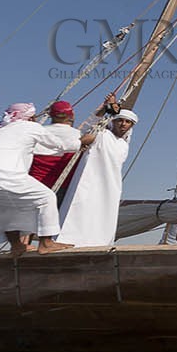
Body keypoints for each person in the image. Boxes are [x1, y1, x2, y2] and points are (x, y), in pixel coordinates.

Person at [0, 102, 75, 257]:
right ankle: (46, 243)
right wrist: (82, 142)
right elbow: (60, 145)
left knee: (6, 208)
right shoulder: (30, 127)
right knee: (46, 197)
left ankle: (17, 246)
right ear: (31, 117)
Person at [57, 100, 136, 247]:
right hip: (88, 180)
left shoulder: (124, 145)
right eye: (120, 120)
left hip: (110, 186)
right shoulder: (101, 134)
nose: (123, 124)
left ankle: (98, 243)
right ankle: (69, 240)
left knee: (103, 214)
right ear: (114, 122)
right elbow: (85, 132)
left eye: (128, 122)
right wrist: (106, 107)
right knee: (79, 208)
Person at [29, 100, 85, 196]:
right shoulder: (78, 135)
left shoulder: (37, 132)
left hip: (35, 185)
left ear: (50, 115)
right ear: (71, 116)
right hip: (62, 187)